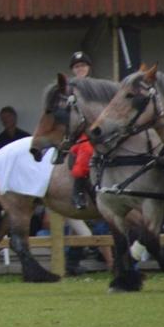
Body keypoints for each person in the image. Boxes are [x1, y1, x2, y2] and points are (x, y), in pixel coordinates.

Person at [68, 51, 97, 209]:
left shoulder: (96, 87)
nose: (80, 69)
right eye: (77, 66)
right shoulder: (69, 89)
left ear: (89, 68)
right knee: (86, 150)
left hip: (99, 129)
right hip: (78, 133)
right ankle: (78, 190)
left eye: (83, 65)